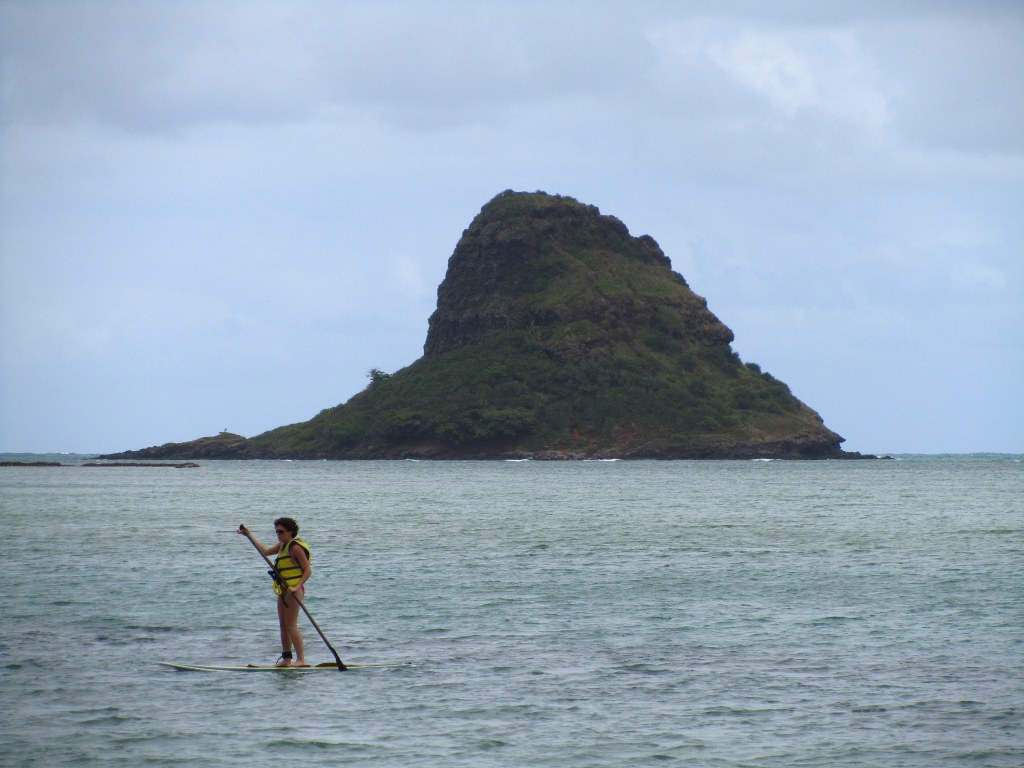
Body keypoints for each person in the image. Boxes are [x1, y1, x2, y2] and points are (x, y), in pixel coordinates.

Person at [238, 518, 312, 667]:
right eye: (277, 532)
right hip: (283, 590)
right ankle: (286, 659)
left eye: (281, 532)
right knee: (283, 626)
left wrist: (296, 587)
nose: (278, 534)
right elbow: (265, 552)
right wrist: (249, 535)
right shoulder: (282, 546)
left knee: (291, 625)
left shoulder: (296, 548)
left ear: (290, 532)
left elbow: (308, 570)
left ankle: (301, 660)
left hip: (294, 591)